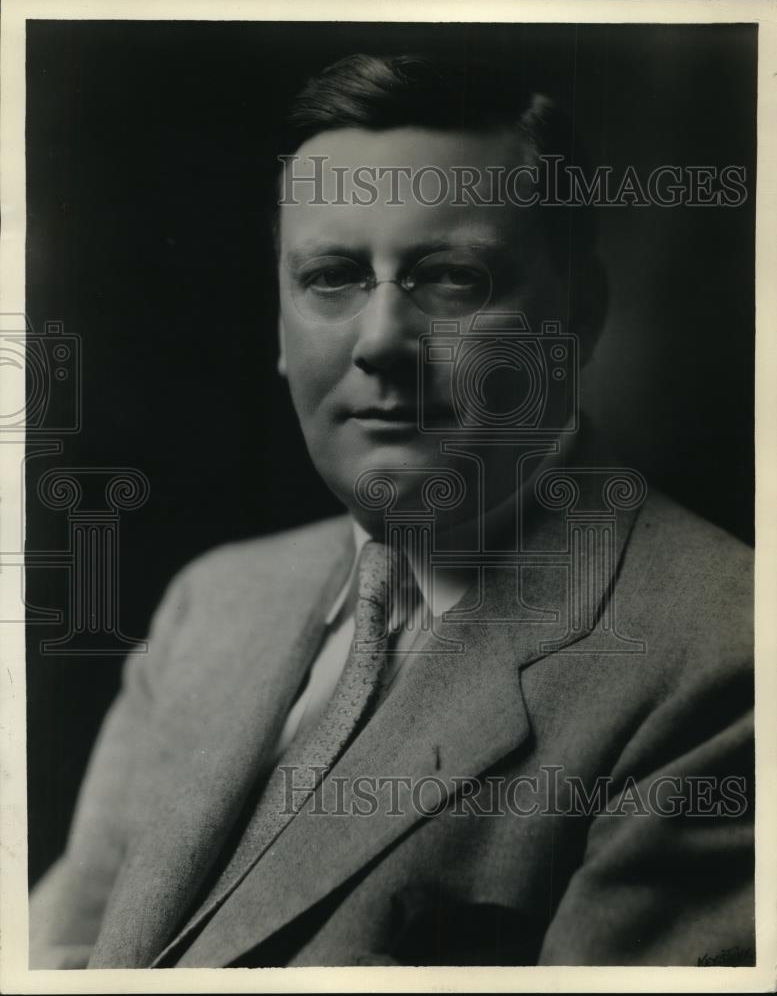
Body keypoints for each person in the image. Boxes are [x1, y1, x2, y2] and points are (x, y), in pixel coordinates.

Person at [29, 53, 754, 969]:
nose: (380, 341)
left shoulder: (725, 661)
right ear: (281, 332)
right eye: (331, 277)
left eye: (449, 278)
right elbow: (53, 956)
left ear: (578, 319)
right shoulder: (211, 607)